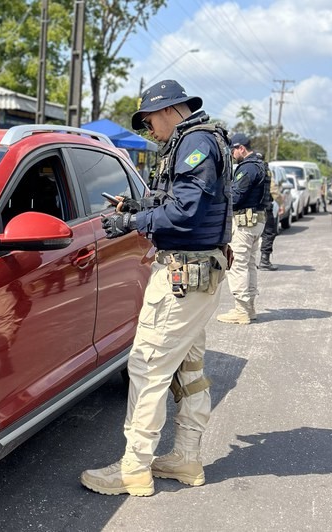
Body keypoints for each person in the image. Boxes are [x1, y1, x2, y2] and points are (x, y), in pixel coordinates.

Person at [80, 79, 232, 497]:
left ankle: (134, 468)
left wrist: (131, 224)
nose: (150, 130)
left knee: (147, 367)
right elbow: (178, 199)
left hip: (184, 278)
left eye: (150, 121)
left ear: (170, 110)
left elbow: (185, 213)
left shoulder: (194, 143)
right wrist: (136, 206)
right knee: (190, 367)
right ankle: (185, 457)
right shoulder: (197, 139)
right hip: (199, 275)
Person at [217, 133, 271, 325]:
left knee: (237, 265)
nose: (231, 154)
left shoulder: (247, 168)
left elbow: (236, 196)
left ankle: (241, 311)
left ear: (241, 148)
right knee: (249, 265)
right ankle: (249, 309)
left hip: (244, 223)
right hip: (257, 221)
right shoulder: (262, 165)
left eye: (233, 150)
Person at [258, 153, 282, 271]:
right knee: (268, 233)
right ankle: (264, 260)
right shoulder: (266, 171)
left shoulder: (245, 168)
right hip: (265, 209)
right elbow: (274, 190)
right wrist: (281, 203)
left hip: (248, 210)